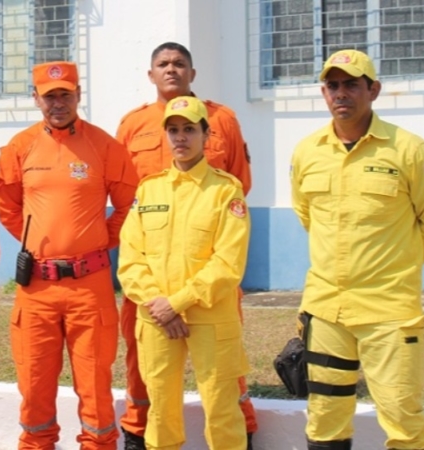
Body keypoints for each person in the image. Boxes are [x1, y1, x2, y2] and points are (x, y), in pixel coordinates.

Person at [289, 49, 424, 450]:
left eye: (351, 84)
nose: (340, 93)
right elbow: (308, 216)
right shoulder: (307, 152)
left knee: (403, 417)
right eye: (332, 85)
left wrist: (394, 264)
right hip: (327, 309)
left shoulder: (411, 150)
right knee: (325, 418)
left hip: (388, 311)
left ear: (373, 90)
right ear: (324, 92)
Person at [114, 41, 257, 449]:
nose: (180, 137)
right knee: (160, 406)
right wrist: (158, 302)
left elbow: (229, 260)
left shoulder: (224, 188)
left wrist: (177, 301)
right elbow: (130, 255)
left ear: (206, 133)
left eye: (189, 129)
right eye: (173, 130)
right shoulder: (149, 187)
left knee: (222, 403)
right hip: (155, 311)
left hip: (209, 310)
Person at [0, 61, 138, 449]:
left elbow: (127, 207)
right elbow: (7, 206)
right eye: (49, 95)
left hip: (89, 289)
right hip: (36, 290)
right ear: (36, 98)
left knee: (95, 389)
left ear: (78, 95)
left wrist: (92, 242)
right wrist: (38, 243)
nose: (58, 103)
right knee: (35, 387)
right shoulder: (19, 148)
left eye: (65, 94)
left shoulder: (105, 147)